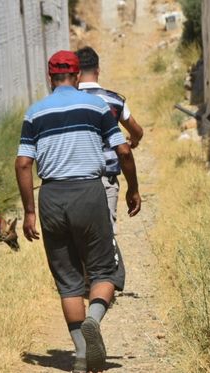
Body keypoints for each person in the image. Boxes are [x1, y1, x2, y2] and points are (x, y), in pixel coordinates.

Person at [15, 50, 141, 373]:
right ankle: (93, 321)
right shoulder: (97, 106)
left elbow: (23, 163)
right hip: (88, 192)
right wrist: (133, 188)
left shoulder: (34, 113)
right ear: (77, 75)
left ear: (50, 76)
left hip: (52, 196)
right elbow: (124, 150)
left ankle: (82, 356)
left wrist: (29, 211)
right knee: (106, 271)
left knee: (68, 280)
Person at [75, 46, 144, 234]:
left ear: (76, 72)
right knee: (105, 237)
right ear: (97, 70)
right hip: (105, 178)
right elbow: (136, 130)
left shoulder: (66, 103)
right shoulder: (113, 100)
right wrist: (134, 140)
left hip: (72, 179)